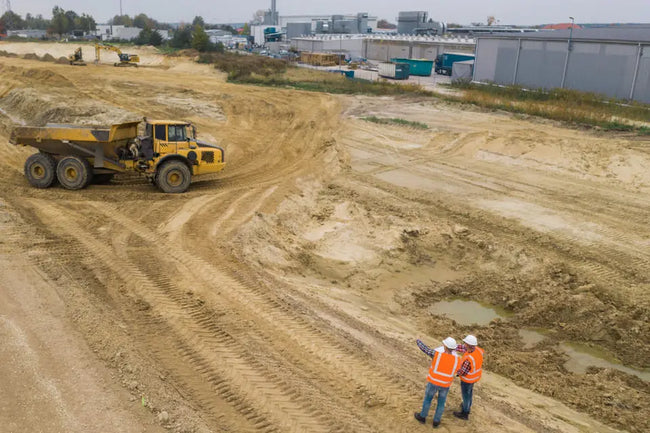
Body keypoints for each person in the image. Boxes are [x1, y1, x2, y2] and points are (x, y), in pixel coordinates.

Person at [414, 337, 460, 428]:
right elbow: (459, 371)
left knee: (428, 399)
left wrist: (418, 340)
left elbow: (425, 349)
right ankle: (436, 421)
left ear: (445, 346)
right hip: (445, 384)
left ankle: (422, 417)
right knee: (441, 403)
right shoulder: (457, 360)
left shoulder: (437, 354)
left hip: (433, 382)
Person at [453, 335, 484, 420]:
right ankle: (467, 407)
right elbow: (463, 348)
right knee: (469, 394)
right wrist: (452, 347)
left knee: (466, 396)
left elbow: (462, 372)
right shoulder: (477, 350)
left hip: (467, 380)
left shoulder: (468, 360)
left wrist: (454, 371)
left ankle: (465, 413)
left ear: (468, 345)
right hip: (474, 378)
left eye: (465, 343)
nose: (464, 344)